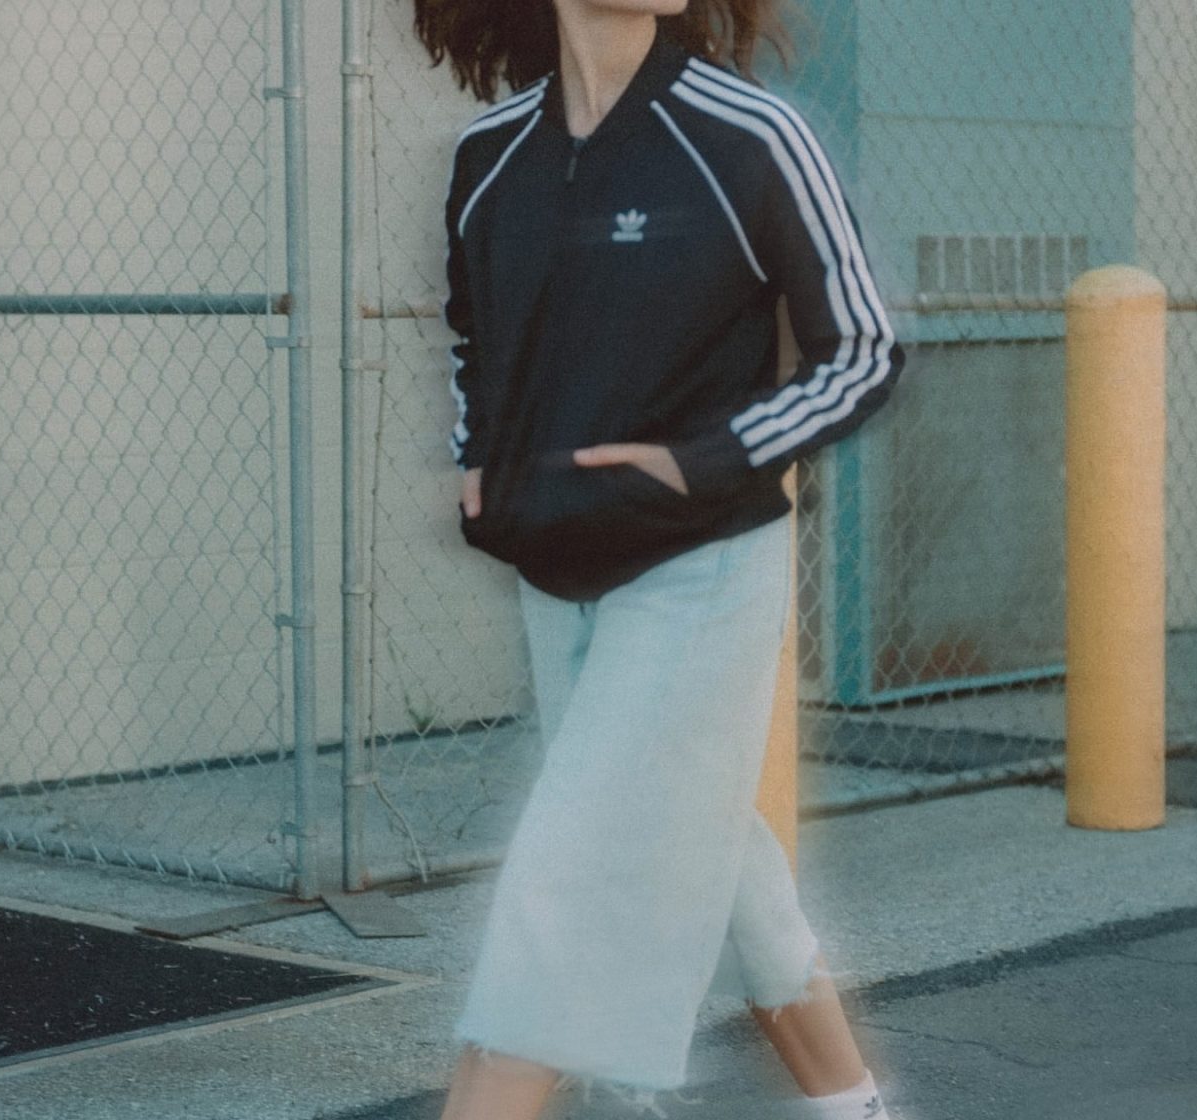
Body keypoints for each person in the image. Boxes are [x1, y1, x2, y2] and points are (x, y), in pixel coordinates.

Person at [411, 0, 908, 1116]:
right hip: (557, 573)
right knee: (722, 861)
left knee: (563, 901)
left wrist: (703, 461)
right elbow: (473, 337)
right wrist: (480, 460)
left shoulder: (750, 135)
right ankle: (853, 1108)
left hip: (700, 573)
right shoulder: (489, 157)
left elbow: (862, 351)